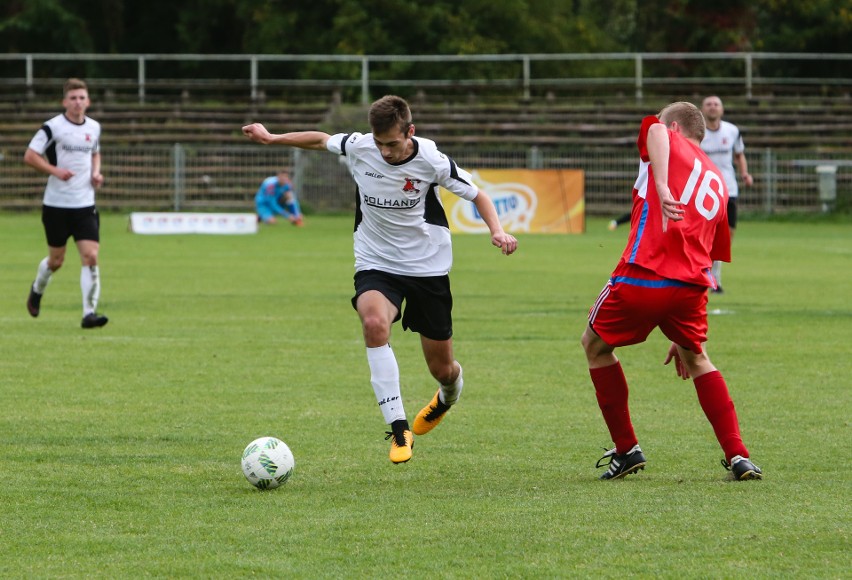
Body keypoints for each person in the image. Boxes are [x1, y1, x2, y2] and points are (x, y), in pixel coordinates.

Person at [243, 95, 518, 464]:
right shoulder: (360, 146)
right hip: (376, 261)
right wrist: (272, 138)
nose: (385, 151)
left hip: (427, 266)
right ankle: (399, 428)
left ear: (410, 132)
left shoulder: (431, 160)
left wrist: (497, 231)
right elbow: (319, 138)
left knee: (443, 369)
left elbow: (479, 195)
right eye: (379, 143)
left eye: (392, 143)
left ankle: (447, 396)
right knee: (374, 323)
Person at [580, 101, 762, 481]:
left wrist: (661, 184)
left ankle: (627, 449)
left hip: (644, 273)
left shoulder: (666, 141)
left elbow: (655, 131)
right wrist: (677, 320)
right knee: (698, 359)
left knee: (594, 346)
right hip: (690, 288)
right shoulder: (714, 176)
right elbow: (712, 253)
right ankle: (739, 455)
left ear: (676, 127)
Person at [24, 77, 108, 329]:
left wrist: (96, 173)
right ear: (64, 102)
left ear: (88, 101)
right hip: (56, 206)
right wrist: (54, 170)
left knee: (91, 256)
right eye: (73, 98)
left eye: (82, 97)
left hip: (84, 205)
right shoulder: (52, 128)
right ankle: (37, 288)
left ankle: (88, 313)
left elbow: (94, 152)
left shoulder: (93, 127)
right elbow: (29, 156)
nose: (78, 102)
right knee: (56, 261)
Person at [700, 96, 753, 294]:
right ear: (702, 109)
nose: (712, 107)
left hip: (728, 190)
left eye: (716, 104)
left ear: (722, 109)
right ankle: (706, 278)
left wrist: (745, 173)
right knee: (704, 236)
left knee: (726, 237)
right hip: (704, 191)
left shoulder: (732, 131)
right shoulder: (696, 132)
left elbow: (739, 155)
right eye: (708, 104)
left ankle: (715, 278)